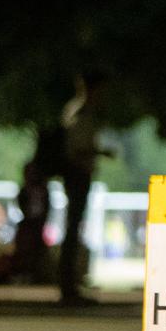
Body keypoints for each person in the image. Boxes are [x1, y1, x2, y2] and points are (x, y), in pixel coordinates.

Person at [57, 70, 112, 307]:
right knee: (73, 229)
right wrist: (99, 152)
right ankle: (68, 286)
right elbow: (76, 149)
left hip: (77, 174)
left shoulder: (76, 110)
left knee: (74, 228)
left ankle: (70, 284)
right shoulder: (80, 112)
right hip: (77, 174)